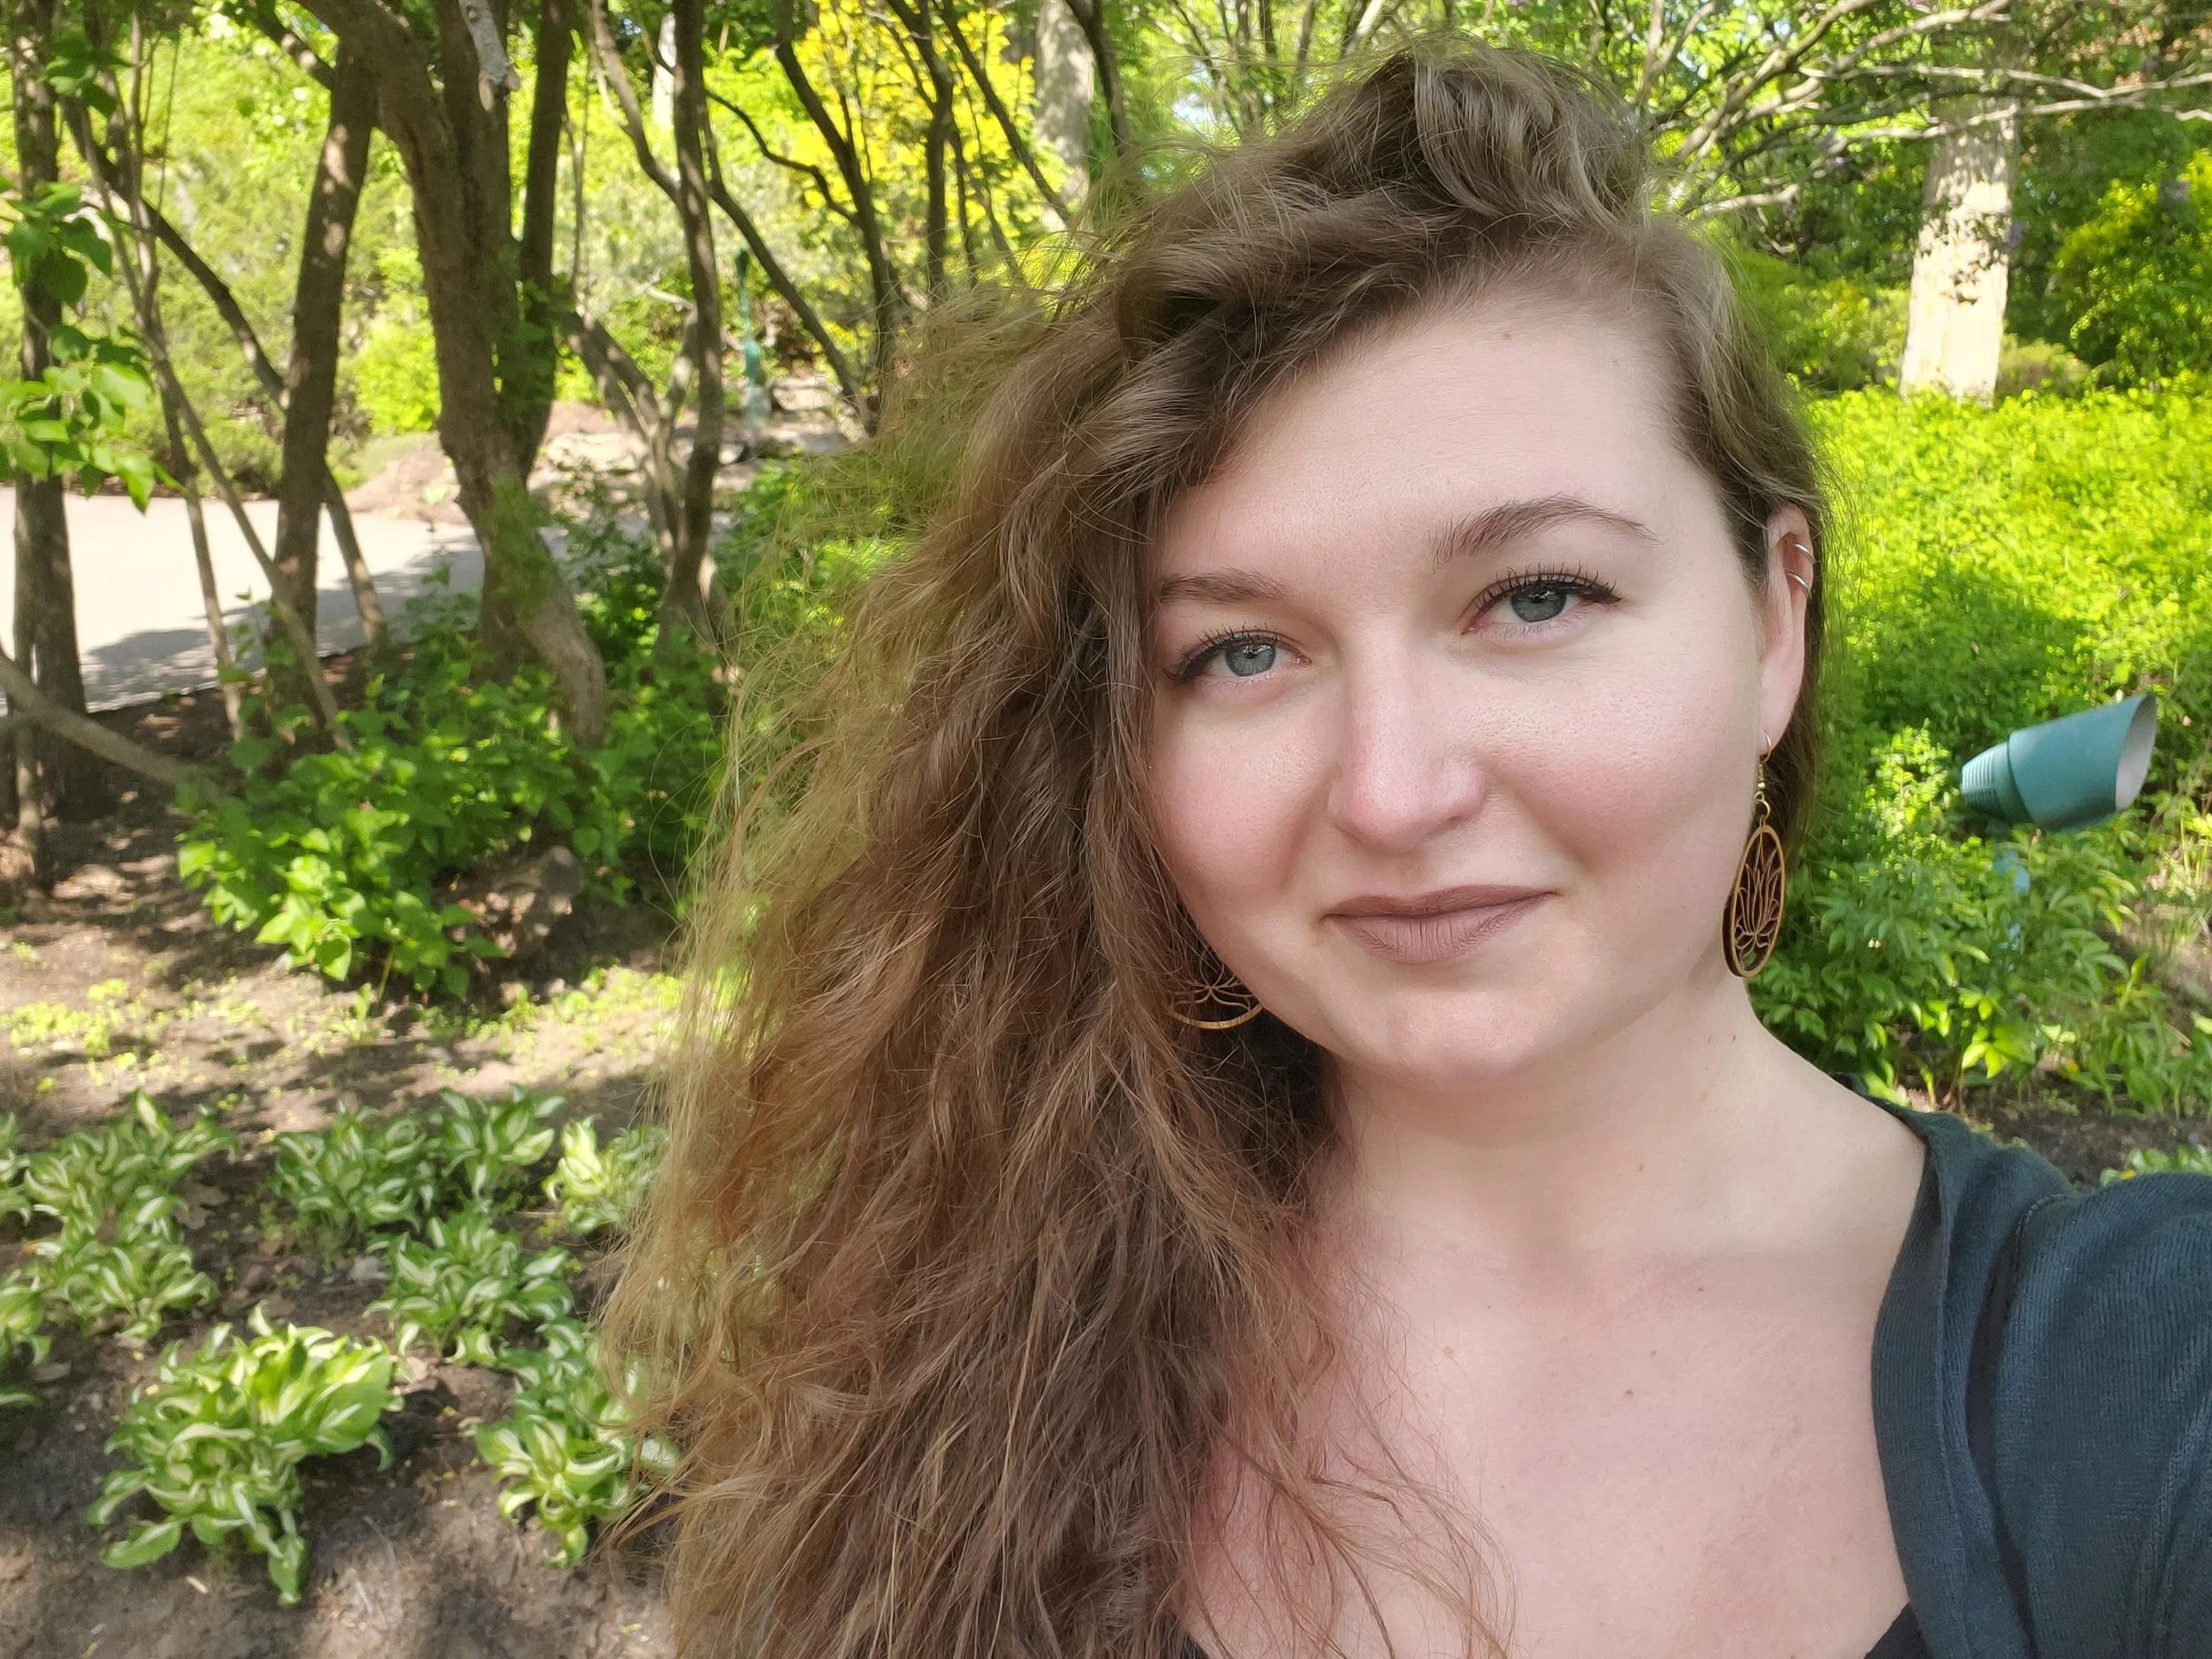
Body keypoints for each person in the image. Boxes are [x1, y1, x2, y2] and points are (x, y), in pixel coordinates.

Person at [608, 39, 2212, 1659]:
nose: (1390, 793)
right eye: (1243, 650)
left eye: (1535, 598)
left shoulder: (2148, 1389)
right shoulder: (965, 1343)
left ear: (1775, 616)